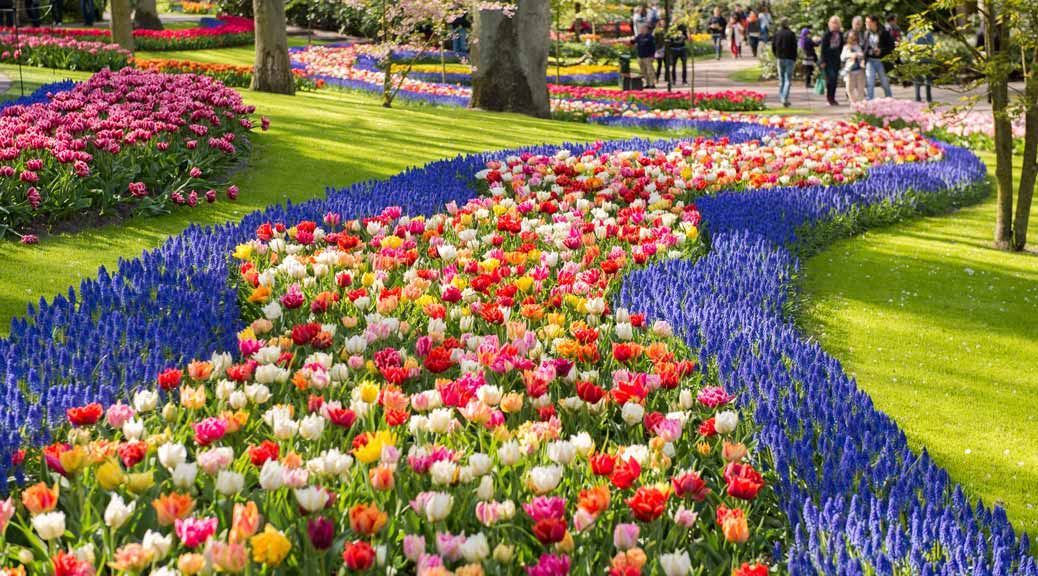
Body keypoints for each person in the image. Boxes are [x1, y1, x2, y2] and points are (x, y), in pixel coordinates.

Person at [863, 15, 893, 99]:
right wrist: (865, 57)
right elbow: (865, 48)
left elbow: (891, 46)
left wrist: (881, 51)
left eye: (867, 22)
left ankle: (889, 99)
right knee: (870, 82)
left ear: (874, 22)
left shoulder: (884, 32)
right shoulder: (867, 33)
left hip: (881, 61)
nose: (866, 23)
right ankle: (870, 102)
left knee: (884, 82)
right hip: (870, 60)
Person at [820, 15, 844, 105]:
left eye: (836, 23)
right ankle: (829, 98)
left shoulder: (840, 34)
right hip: (827, 59)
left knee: (834, 80)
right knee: (830, 79)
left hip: (836, 59)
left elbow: (841, 47)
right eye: (833, 22)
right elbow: (823, 48)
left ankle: (832, 98)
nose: (834, 24)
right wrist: (822, 61)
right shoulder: (827, 34)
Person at [772, 18, 797, 106]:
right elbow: (794, 47)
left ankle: (782, 97)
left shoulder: (777, 34)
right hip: (790, 58)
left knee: (781, 79)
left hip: (780, 58)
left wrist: (776, 55)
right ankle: (784, 98)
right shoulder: (791, 34)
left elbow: (773, 46)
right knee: (788, 80)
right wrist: (795, 58)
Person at [842, 29, 866, 103]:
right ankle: (854, 103)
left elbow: (863, 55)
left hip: (859, 70)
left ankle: (860, 105)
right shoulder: (846, 47)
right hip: (850, 70)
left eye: (855, 38)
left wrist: (858, 55)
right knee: (849, 89)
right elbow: (842, 57)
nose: (853, 40)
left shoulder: (859, 46)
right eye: (852, 38)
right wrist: (851, 55)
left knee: (860, 89)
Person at [911, 29, 935, 102]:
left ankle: (917, 97)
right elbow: (932, 45)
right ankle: (929, 97)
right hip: (927, 58)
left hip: (916, 59)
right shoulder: (928, 33)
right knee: (928, 78)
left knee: (917, 78)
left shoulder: (911, 33)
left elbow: (909, 47)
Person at [631, 24, 657, 88]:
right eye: (640, 29)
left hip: (648, 56)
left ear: (646, 29)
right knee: (643, 71)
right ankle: (647, 83)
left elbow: (653, 47)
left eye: (642, 28)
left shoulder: (650, 37)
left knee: (650, 71)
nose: (641, 30)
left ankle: (652, 84)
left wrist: (652, 56)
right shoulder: (639, 36)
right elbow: (633, 42)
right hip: (640, 56)